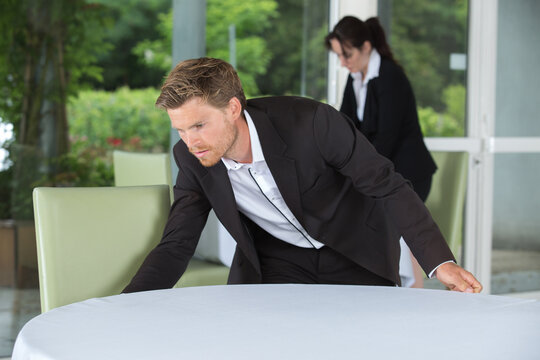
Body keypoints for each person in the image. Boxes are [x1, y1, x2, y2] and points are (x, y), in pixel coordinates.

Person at [123, 57, 482, 294]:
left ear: (233, 108)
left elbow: (387, 185)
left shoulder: (313, 123)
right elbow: (177, 243)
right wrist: (129, 305)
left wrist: (440, 262)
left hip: (355, 250)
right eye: (181, 130)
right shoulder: (189, 157)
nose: (191, 142)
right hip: (277, 262)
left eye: (199, 125)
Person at [325, 16, 437, 288]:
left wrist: (356, 170)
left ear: (366, 47)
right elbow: (345, 127)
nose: (343, 62)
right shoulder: (356, 80)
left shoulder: (390, 77)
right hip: (383, 171)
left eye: (347, 54)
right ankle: (403, 296)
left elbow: (387, 137)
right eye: (339, 56)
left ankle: (414, 298)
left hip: (408, 174)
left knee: (402, 234)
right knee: (388, 233)